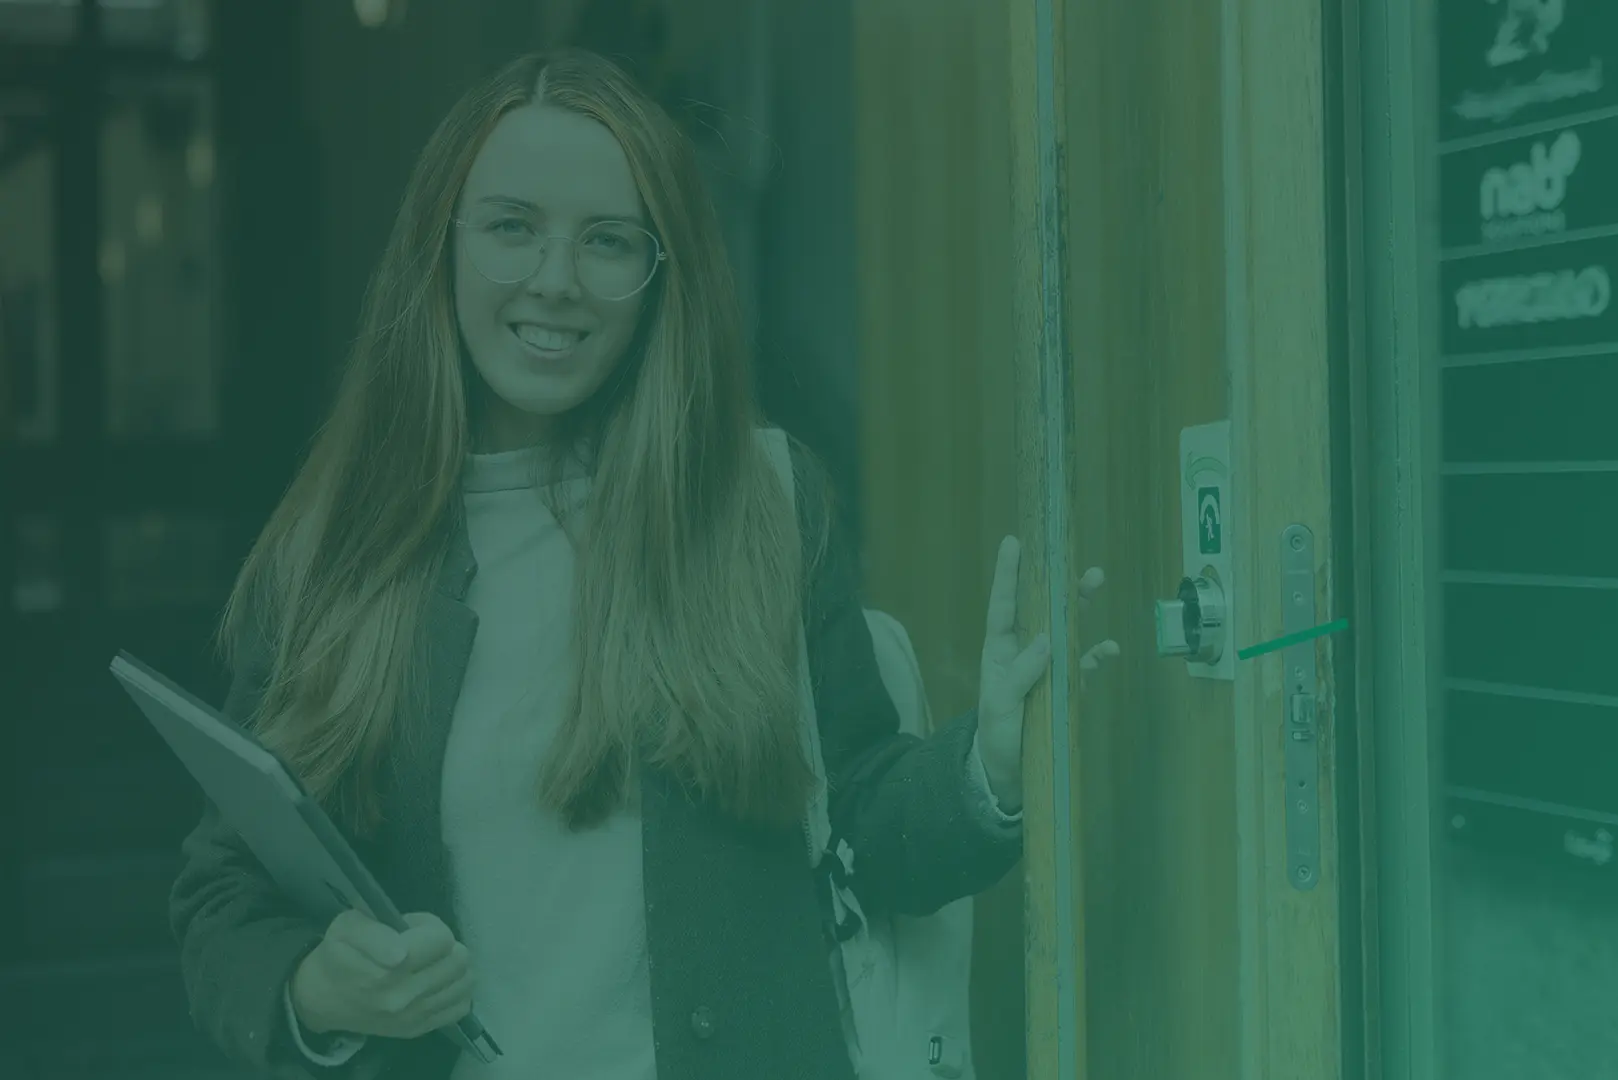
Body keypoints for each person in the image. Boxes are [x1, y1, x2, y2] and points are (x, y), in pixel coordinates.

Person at [167, 48, 1112, 1080]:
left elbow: (864, 825)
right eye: (512, 227)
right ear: (441, 246)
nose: (556, 280)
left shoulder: (762, 504)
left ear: (664, 275)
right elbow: (224, 898)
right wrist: (316, 989)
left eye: (608, 240)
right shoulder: (334, 552)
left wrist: (988, 770)